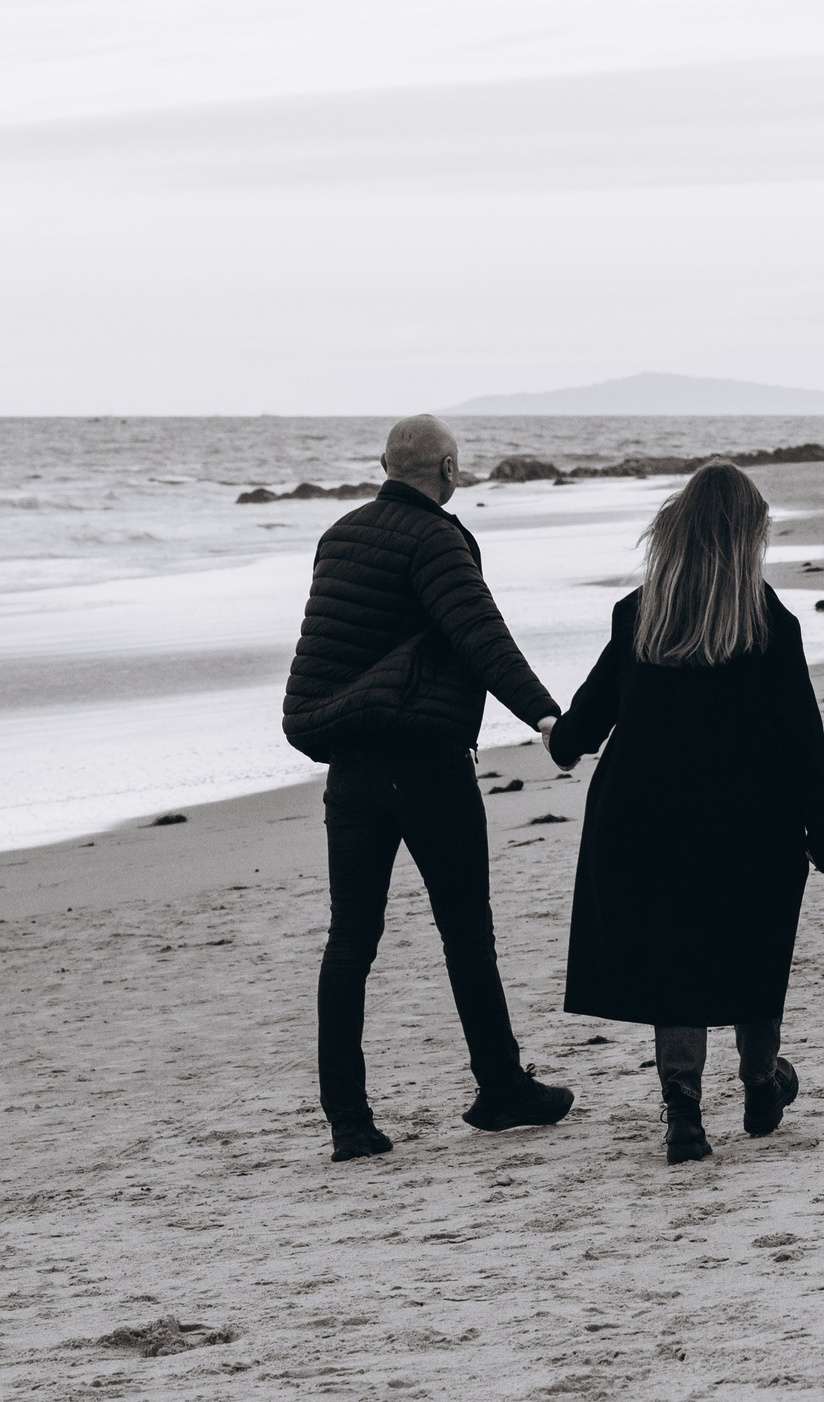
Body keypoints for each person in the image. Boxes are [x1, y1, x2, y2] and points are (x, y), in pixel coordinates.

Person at [282, 414, 574, 1161]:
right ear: (447, 469)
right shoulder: (438, 537)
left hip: (350, 767)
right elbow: (482, 636)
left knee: (350, 940)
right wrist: (546, 716)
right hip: (424, 763)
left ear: (386, 464)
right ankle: (501, 1086)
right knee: (466, 933)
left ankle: (348, 1121)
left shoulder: (338, 536)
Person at [547, 460, 824, 1164]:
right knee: (753, 944)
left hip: (645, 818)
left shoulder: (639, 613)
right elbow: (804, 738)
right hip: (753, 820)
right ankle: (759, 1081)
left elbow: (586, 723)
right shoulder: (771, 621)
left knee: (673, 959)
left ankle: (683, 1110)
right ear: (747, 538)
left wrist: (555, 738)